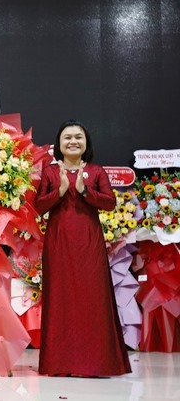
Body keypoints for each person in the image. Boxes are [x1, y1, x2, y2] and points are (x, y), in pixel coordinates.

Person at [34, 120, 131, 377]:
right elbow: (38, 207)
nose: (73, 141)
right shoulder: (50, 173)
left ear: (86, 142)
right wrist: (60, 191)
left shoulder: (97, 171)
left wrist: (85, 191)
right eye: (68, 137)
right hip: (58, 244)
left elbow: (110, 203)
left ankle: (96, 363)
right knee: (60, 297)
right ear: (60, 144)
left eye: (78, 137)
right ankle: (60, 363)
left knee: (93, 298)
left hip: (89, 244)